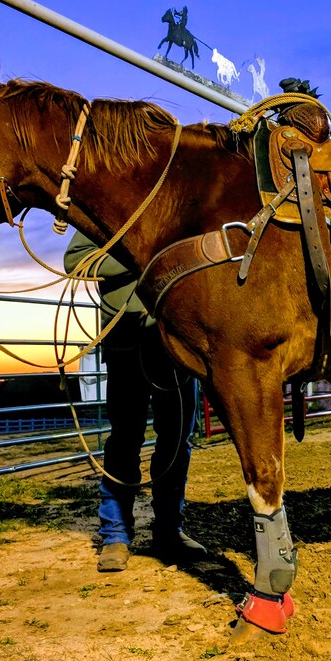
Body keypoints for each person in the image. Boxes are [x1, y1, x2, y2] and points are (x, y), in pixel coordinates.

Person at [64, 230, 206, 572]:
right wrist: (141, 255)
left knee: (177, 439)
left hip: (176, 338)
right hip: (125, 341)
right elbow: (75, 261)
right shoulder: (103, 209)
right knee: (125, 438)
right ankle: (115, 535)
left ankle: (169, 531)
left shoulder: (172, 207)